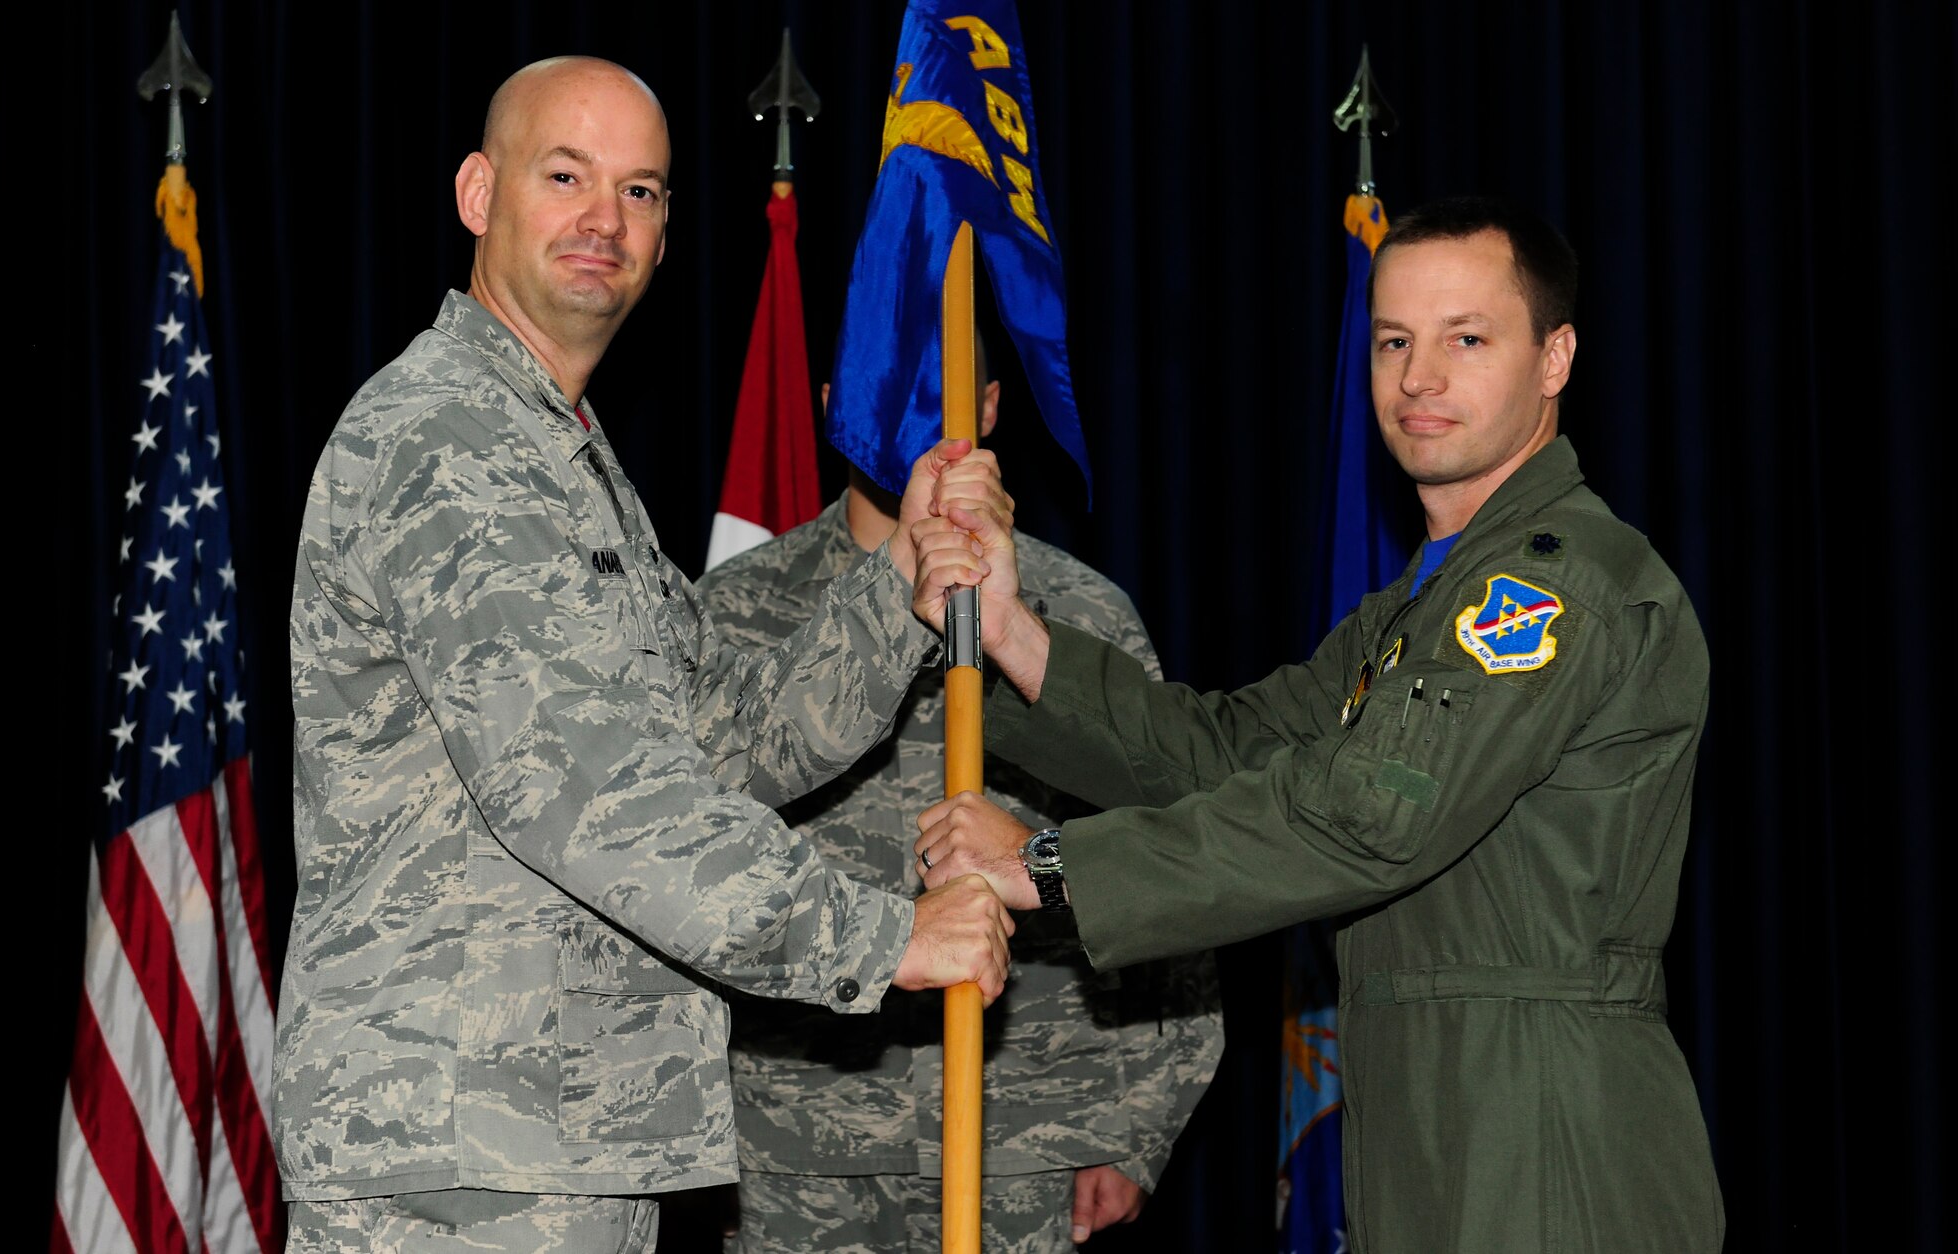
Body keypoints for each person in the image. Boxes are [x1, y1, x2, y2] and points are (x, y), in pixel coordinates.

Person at [277, 57, 1021, 1252]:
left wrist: (902, 580)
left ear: (667, 236)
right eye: (564, 176)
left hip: (553, 1136)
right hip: (455, 1152)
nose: (602, 221)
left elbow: (726, 735)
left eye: (639, 193)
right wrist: (883, 938)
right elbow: (594, 793)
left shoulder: (562, 455)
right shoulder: (449, 441)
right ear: (478, 193)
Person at [915, 197, 1724, 1252]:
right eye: (1393, 341)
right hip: (1430, 1116)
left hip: (1544, 1132)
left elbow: (1364, 820)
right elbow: (1219, 755)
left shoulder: (1550, 589)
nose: (1417, 378)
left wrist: (1047, 869)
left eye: (1464, 339)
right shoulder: (1414, 609)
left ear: (1554, 356)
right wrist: (1017, 635)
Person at [699, 366, 1223, 1253]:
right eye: (881, 377)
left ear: (987, 407)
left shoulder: (1078, 615)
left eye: (939, 383)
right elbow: (683, 869)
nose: (910, 403)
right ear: (833, 405)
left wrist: (1140, 1122)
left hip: (1031, 1135)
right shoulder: (735, 611)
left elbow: (1171, 858)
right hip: (790, 1139)